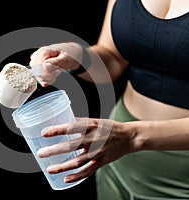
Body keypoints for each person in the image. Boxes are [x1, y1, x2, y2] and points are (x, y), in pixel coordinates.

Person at [28, 0, 189, 199]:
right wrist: (75, 56)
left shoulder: (128, 137)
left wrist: (132, 137)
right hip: (116, 153)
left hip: (180, 174)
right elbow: (113, 57)